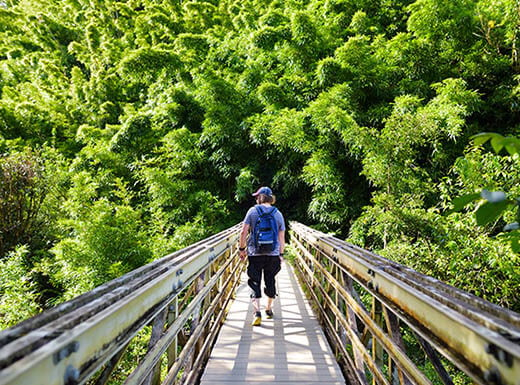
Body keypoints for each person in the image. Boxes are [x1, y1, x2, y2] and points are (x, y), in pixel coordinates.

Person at [238, 186, 286, 326]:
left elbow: (243, 232)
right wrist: (281, 254)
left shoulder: (252, 211)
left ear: (260, 197)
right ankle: (269, 309)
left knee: (254, 281)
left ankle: (256, 312)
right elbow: (281, 236)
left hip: (254, 253)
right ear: (270, 198)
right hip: (272, 254)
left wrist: (242, 249)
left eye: (257, 196)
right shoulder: (278, 214)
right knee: (270, 279)